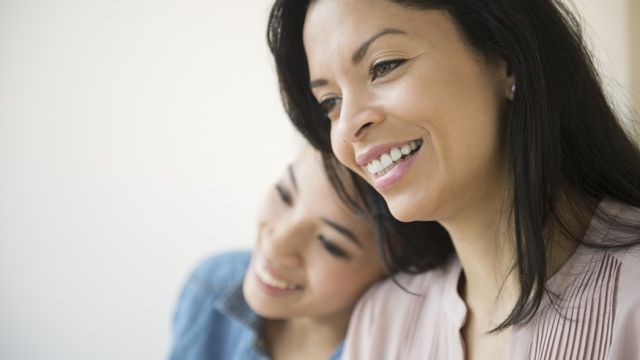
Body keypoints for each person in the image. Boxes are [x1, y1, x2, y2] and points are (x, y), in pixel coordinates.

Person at [266, 0, 640, 358]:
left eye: (385, 66)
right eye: (330, 102)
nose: (348, 126)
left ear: (505, 58)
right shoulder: (381, 322)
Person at [168, 146, 387, 359]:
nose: (275, 246)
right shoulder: (212, 286)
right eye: (284, 195)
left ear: (389, 269)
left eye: (328, 243)